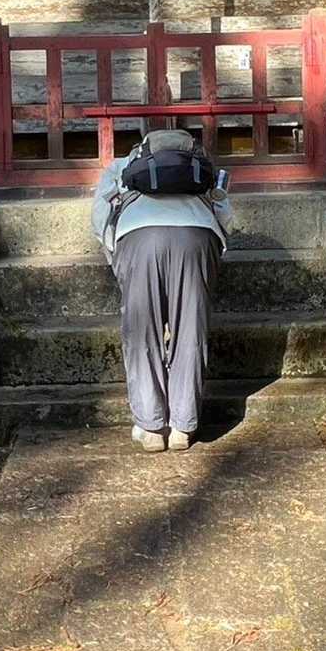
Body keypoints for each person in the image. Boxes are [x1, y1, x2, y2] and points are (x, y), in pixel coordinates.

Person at [91, 130, 231, 452]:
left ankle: (151, 427)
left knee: (142, 332)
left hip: (138, 237)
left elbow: (100, 214)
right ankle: (183, 426)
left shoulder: (123, 165)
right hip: (197, 236)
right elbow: (224, 211)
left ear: (143, 148)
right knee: (190, 330)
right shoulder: (201, 165)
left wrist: (115, 252)